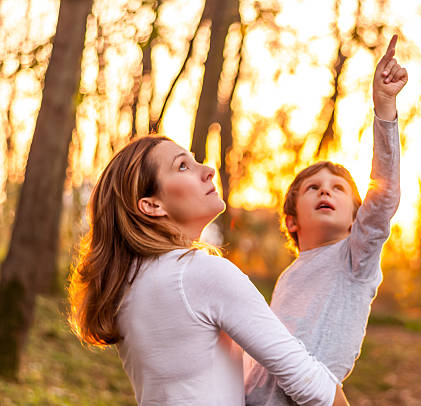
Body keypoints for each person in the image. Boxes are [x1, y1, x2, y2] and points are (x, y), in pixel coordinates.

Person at [67, 134, 350, 405]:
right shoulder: (200, 272)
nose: (208, 170)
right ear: (151, 205)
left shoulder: (129, 285)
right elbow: (309, 383)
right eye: (182, 166)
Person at [244, 35, 407, 405]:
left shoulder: (356, 258)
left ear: (356, 217)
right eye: (313, 188)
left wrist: (384, 107)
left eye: (337, 189)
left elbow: (384, 197)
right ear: (291, 221)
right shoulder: (289, 275)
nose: (325, 192)